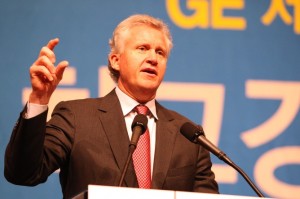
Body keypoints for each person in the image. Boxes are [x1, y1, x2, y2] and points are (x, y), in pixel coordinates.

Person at [4, 14, 219, 198]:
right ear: (115, 60)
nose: (153, 58)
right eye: (142, 48)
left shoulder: (189, 136)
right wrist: (39, 99)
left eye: (160, 52)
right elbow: (23, 173)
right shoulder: (77, 117)